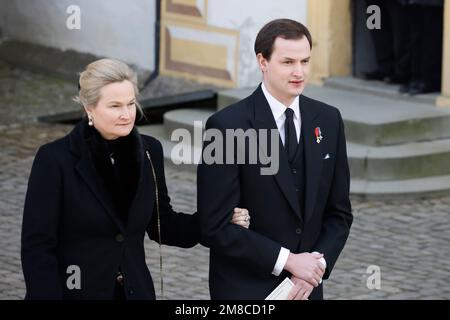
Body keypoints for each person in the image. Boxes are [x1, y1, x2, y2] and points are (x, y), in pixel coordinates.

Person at [21, 58, 250, 300]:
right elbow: (37, 248)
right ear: (89, 108)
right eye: (115, 106)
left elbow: (164, 225)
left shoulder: (149, 151)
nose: (126, 114)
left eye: (131, 104)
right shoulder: (55, 159)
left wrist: (217, 220)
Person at [198, 19, 353, 300]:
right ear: (262, 61)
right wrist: (290, 261)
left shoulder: (329, 120)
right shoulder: (227, 126)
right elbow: (214, 226)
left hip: (307, 288)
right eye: (288, 62)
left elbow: (339, 213)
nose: (299, 72)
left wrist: (313, 270)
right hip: (244, 290)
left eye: (305, 61)